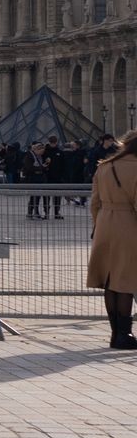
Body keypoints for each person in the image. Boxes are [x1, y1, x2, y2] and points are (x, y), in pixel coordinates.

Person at [88, 133, 137, 349]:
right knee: (125, 279)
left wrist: (98, 225)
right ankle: (124, 335)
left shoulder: (104, 166)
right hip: (128, 224)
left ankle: (115, 333)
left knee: (109, 280)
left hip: (105, 224)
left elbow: (94, 202)